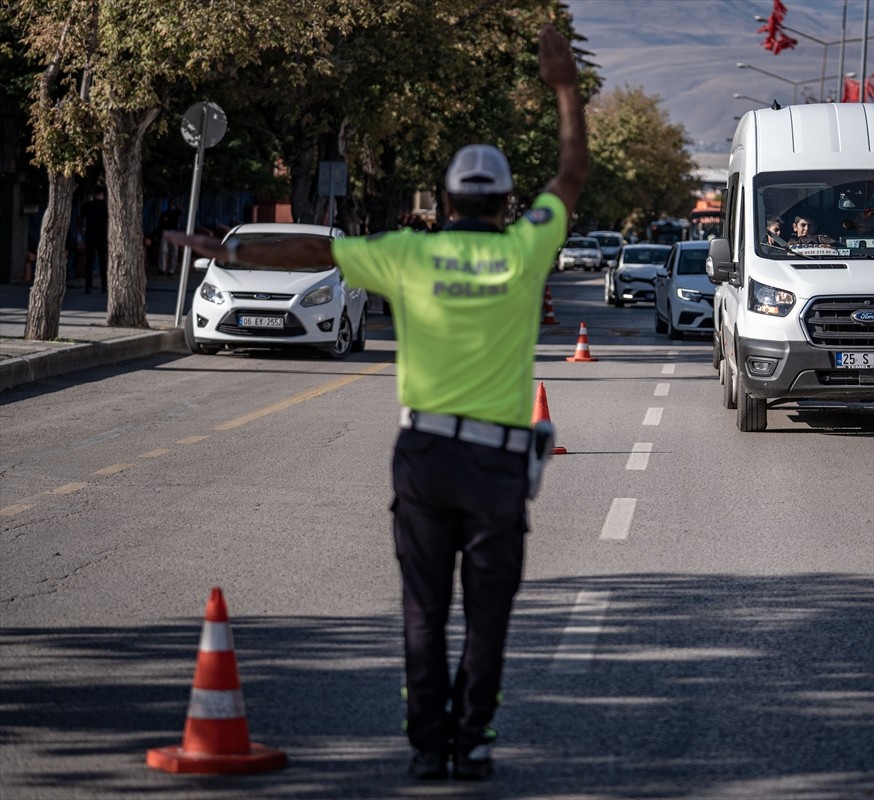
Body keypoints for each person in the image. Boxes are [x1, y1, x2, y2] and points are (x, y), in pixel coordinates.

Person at [164, 23, 586, 783]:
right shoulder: (526, 251)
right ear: (505, 204)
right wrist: (564, 88)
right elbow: (572, 174)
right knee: (487, 615)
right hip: (496, 466)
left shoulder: (408, 254)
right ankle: (472, 741)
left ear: (447, 199)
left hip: (424, 458)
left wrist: (229, 251)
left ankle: (426, 746)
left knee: (424, 610)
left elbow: (316, 250)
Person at [79, 188, 108, 293]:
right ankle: (104, 286)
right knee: (103, 262)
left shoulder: (88, 205)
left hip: (90, 236)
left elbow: (80, 218)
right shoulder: (105, 206)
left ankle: (88, 286)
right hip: (102, 236)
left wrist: (82, 229)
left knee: (89, 262)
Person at [157, 199, 183, 275]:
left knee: (174, 251)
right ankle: (162, 268)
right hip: (166, 232)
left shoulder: (176, 213)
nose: (172, 206)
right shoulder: (165, 213)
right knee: (163, 250)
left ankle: (171, 270)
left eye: (173, 204)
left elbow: (182, 211)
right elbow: (160, 224)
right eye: (171, 204)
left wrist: (178, 206)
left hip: (174, 233)